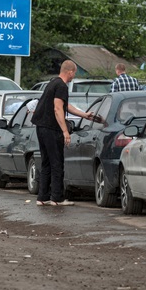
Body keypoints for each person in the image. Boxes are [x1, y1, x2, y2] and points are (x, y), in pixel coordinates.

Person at [31, 60, 94, 206]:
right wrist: (65, 131)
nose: (74, 76)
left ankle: (43, 197)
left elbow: (65, 105)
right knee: (57, 162)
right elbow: (58, 108)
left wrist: (84, 114)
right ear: (70, 71)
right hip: (51, 129)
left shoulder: (53, 83)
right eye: (74, 73)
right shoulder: (61, 86)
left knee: (46, 162)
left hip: (41, 127)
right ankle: (57, 198)